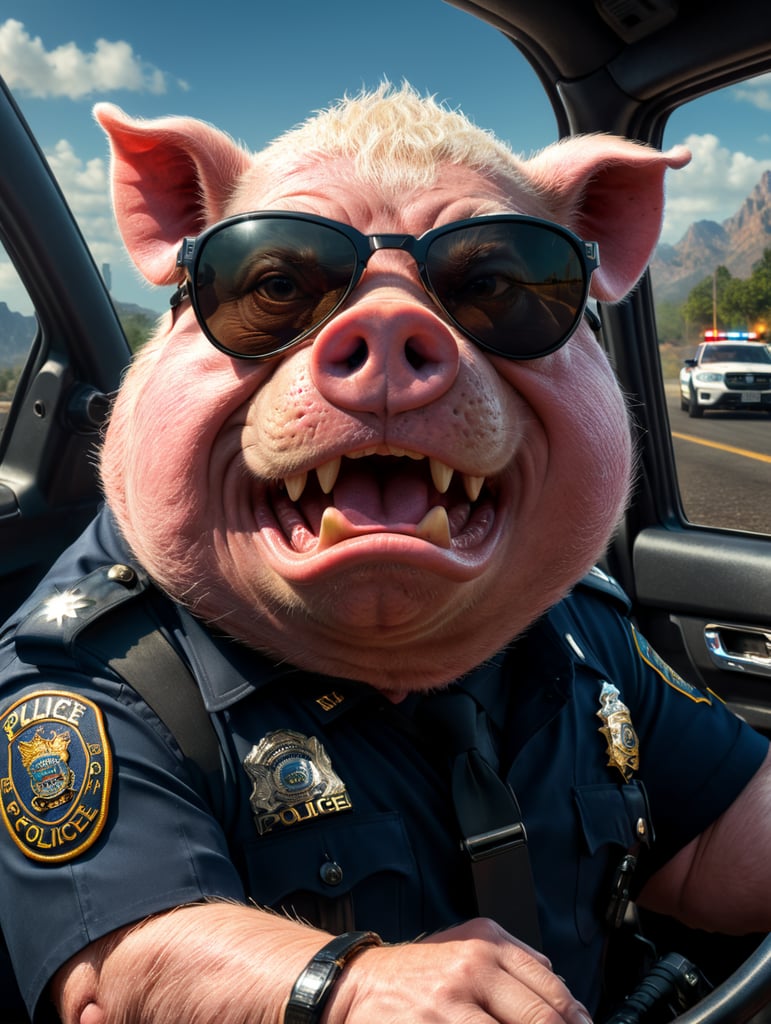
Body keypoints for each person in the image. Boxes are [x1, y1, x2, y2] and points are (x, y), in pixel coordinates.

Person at [0, 83, 768, 1024]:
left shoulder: (571, 623)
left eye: (495, 286)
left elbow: (709, 852)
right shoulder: (91, 672)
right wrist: (343, 987)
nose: (391, 338)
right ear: (175, 219)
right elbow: (120, 963)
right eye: (276, 286)